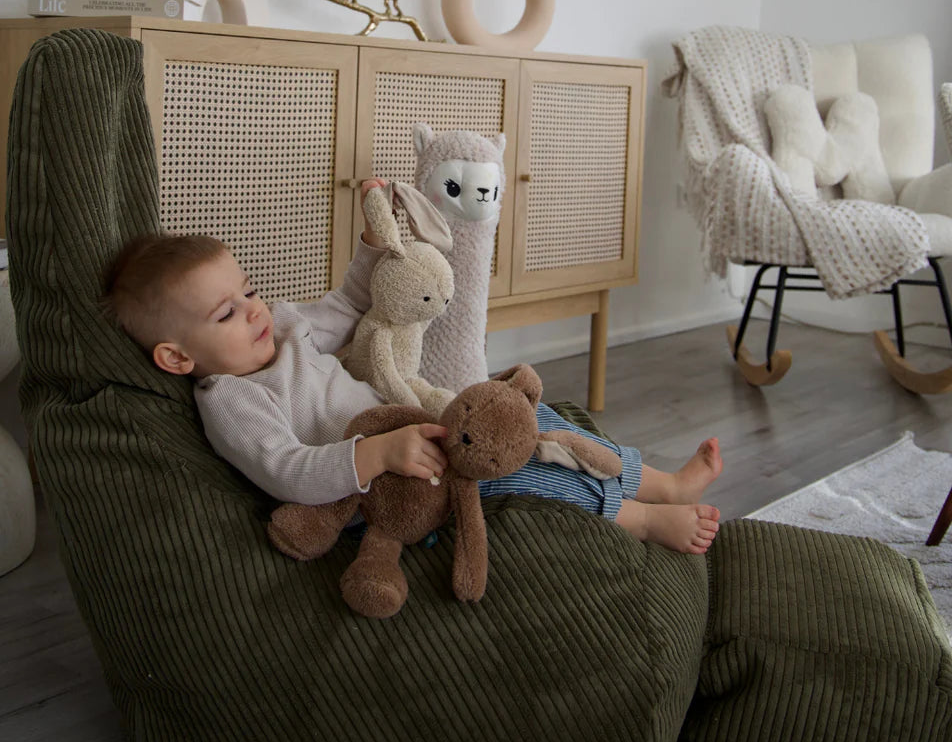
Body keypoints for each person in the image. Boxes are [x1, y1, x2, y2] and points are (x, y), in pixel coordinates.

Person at [102, 181, 721, 555]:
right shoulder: (232, 401)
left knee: (533, 419)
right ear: (177, 358)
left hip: (418, 431)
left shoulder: (285, 328)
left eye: (250, 290)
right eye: (226, 313)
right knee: (514, 481)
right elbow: (288, 473)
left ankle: (655, 480)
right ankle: (641, 521)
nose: (253, 310)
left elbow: (347, 307)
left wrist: (372, 249)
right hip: (387, 491)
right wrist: (378, 456)